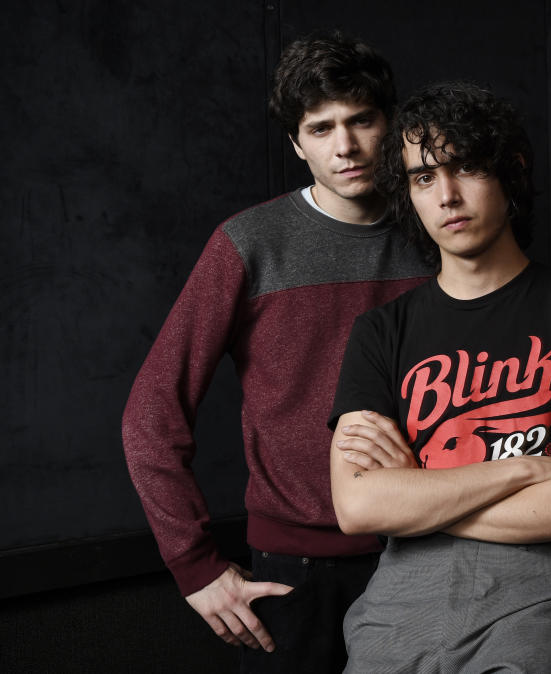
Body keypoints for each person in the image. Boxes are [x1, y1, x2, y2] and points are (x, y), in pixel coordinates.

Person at [121, 33, 432, 672]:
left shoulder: (440, 229)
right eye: (320, 129)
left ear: (391, 123)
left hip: (432, 548)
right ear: (297, 144)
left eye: (361, 121)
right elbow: (151, 411)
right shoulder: (249, 243)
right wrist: (194, 565)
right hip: (297, 573)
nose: (344, 146)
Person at [326, 81, 551, 673]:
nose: (447, 195)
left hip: (537, 594)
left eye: (468, 167)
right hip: (400, 601)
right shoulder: (381, 332)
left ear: (512, 172)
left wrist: (418, 492)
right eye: (424, 177)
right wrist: (528, 469)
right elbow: (358, 505)